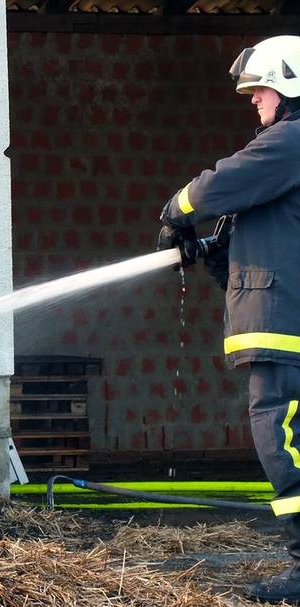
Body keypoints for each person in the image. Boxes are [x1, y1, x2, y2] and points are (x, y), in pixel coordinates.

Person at [157, 35, 300, 604]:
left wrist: (177, 211)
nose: (253, 100)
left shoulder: (289, 142)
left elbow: (219, 183)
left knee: (282, 444)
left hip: (286, 331)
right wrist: (214, 251)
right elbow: (264, 248)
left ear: (288, 83)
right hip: (281, 323)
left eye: (260, 88)